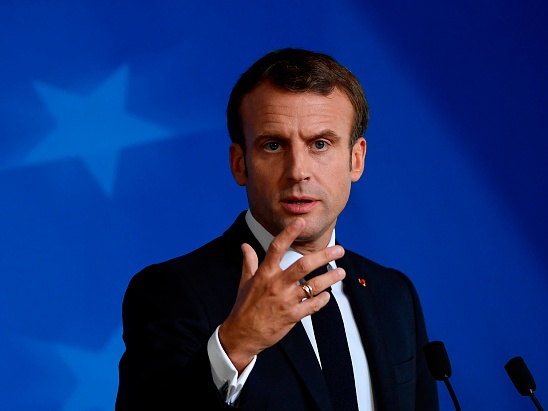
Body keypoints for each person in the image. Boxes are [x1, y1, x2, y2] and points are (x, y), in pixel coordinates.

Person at [116, 48, 438, 411]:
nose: (298, 170)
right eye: (273, 145)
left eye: (320, 144)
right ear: (240, 165)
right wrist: (235, 344)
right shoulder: (171, 292)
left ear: (356, 159)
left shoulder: (394, 294)